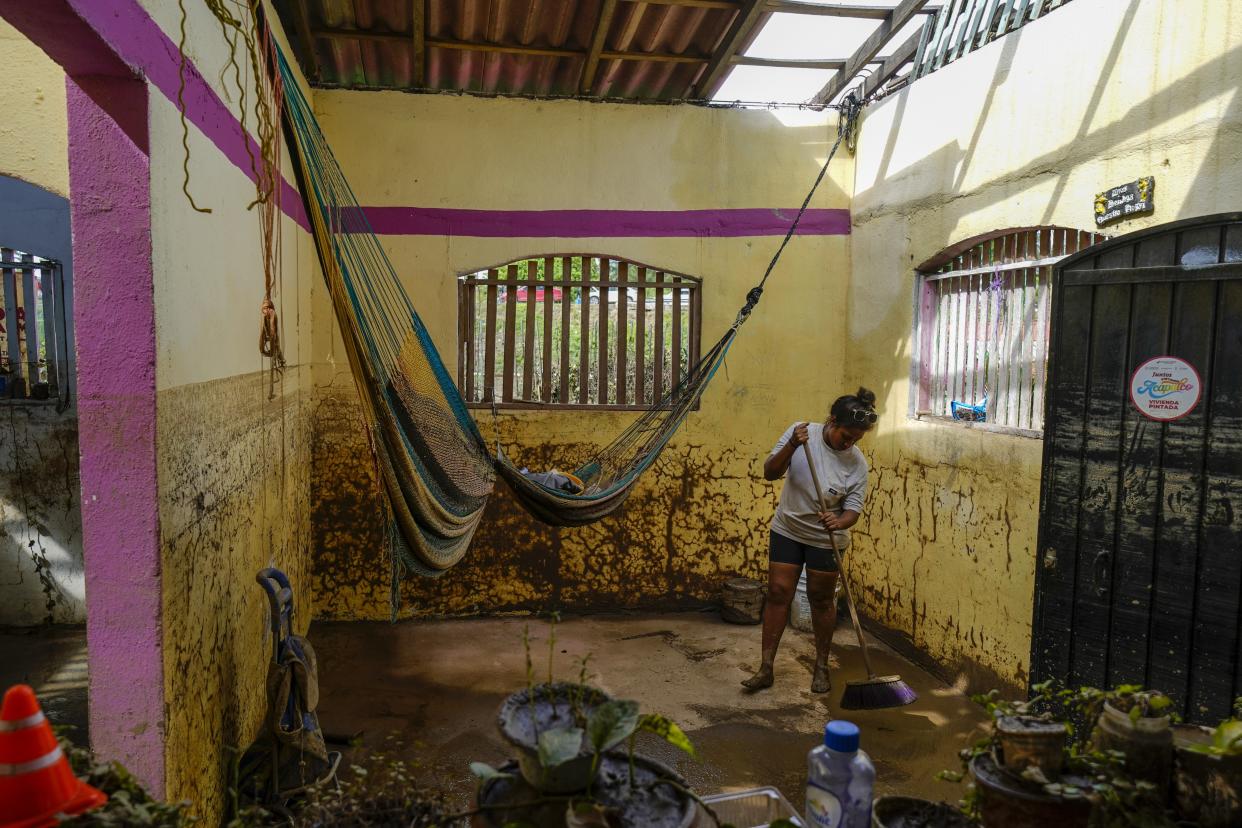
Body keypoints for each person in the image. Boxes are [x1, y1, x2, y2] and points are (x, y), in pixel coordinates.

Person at [742, 387, 877, 694]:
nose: (850, 443)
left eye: (857, 439)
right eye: (846, 436)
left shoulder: (857, 464)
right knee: (778, 592)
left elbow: (853, 511)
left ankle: (821, 666)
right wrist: (791, 445)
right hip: (788, 528)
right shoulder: (801, 433)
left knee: (820, 599)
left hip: (825, 538)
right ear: (831, 421)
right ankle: (765, 668)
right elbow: (769, 473)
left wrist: (838, 520)